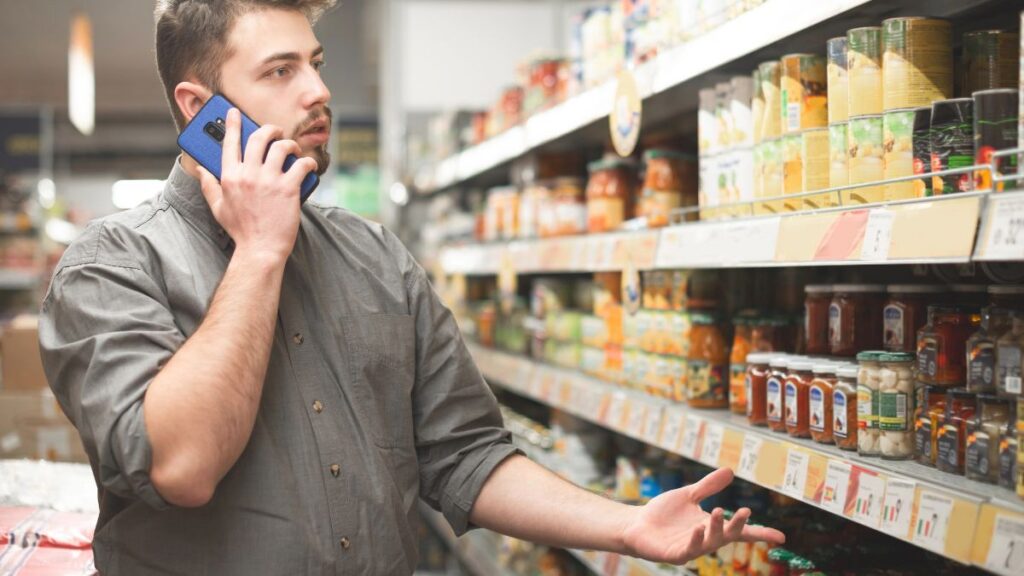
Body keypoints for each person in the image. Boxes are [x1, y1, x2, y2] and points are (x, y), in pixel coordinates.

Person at [37, 1, 785, 574]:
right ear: (201, 111)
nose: (319, 92)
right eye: (280, 71)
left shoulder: (375, 258)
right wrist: (261, 251)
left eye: (317, 62)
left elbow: (465, 455)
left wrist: (625, 524)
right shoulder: (109, 269)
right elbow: (182, 467)